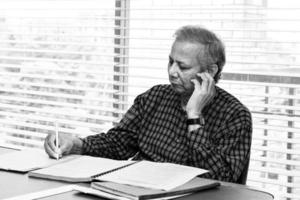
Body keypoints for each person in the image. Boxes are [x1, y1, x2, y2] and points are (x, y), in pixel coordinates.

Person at [44, 25, 252, 183]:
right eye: (171, 61)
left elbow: (222, 180)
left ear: (211, 71)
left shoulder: (234, 115)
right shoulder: (154, 97)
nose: (172, 72)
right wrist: (75, 144)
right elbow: (118, 143)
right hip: (137, 190)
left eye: (182, 66)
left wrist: (194, 116)